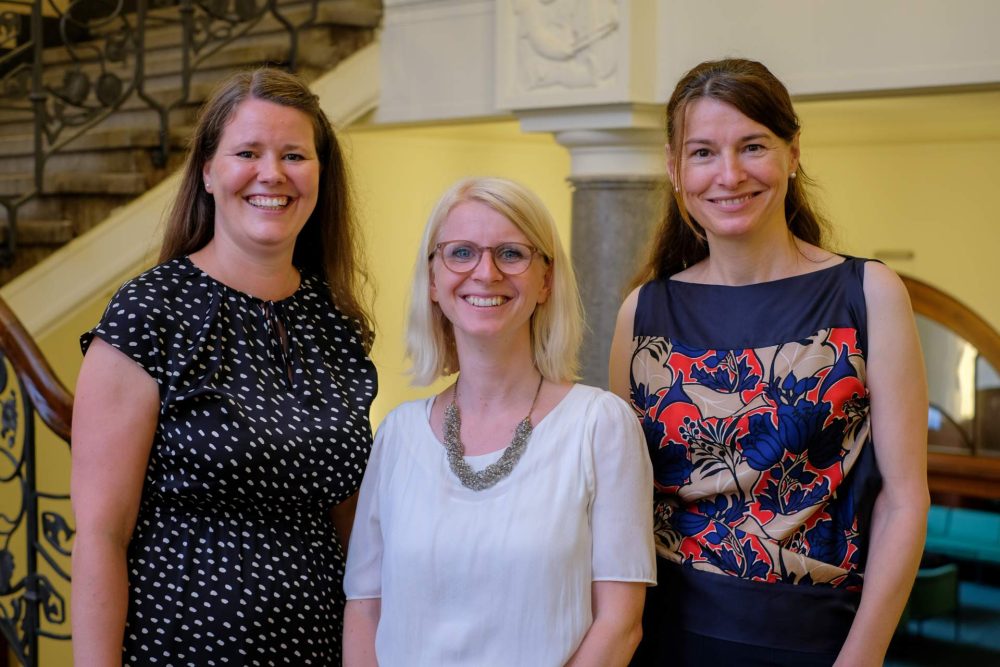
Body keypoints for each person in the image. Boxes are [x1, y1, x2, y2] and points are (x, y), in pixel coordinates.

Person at [609, 58, 929, 666]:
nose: (729, 175)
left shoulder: (867, 292)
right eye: (703, 153)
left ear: (793, 152)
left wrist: (859, 660)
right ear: (675, 170)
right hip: (664, 635)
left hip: (817, 639)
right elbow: (625, 506)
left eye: (752, 146)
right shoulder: (643, 313)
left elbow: (904, 499)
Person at [71, 68, 377, 665]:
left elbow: (354, 526)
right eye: (247, 152)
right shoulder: (149, 311)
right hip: (185, 643)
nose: (273, 174)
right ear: (208, 172)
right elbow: (101, 537)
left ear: (320, 175)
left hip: (318, 645)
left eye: (295, 155)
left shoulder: (334, 322)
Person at [343, 177, 656, 666]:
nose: (485, 273)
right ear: (432, 280)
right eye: (461, 253)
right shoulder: (397, 435)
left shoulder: (600, 426)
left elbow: (619, 624)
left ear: (546, 280)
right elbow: (364, 610)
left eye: (511, 253)